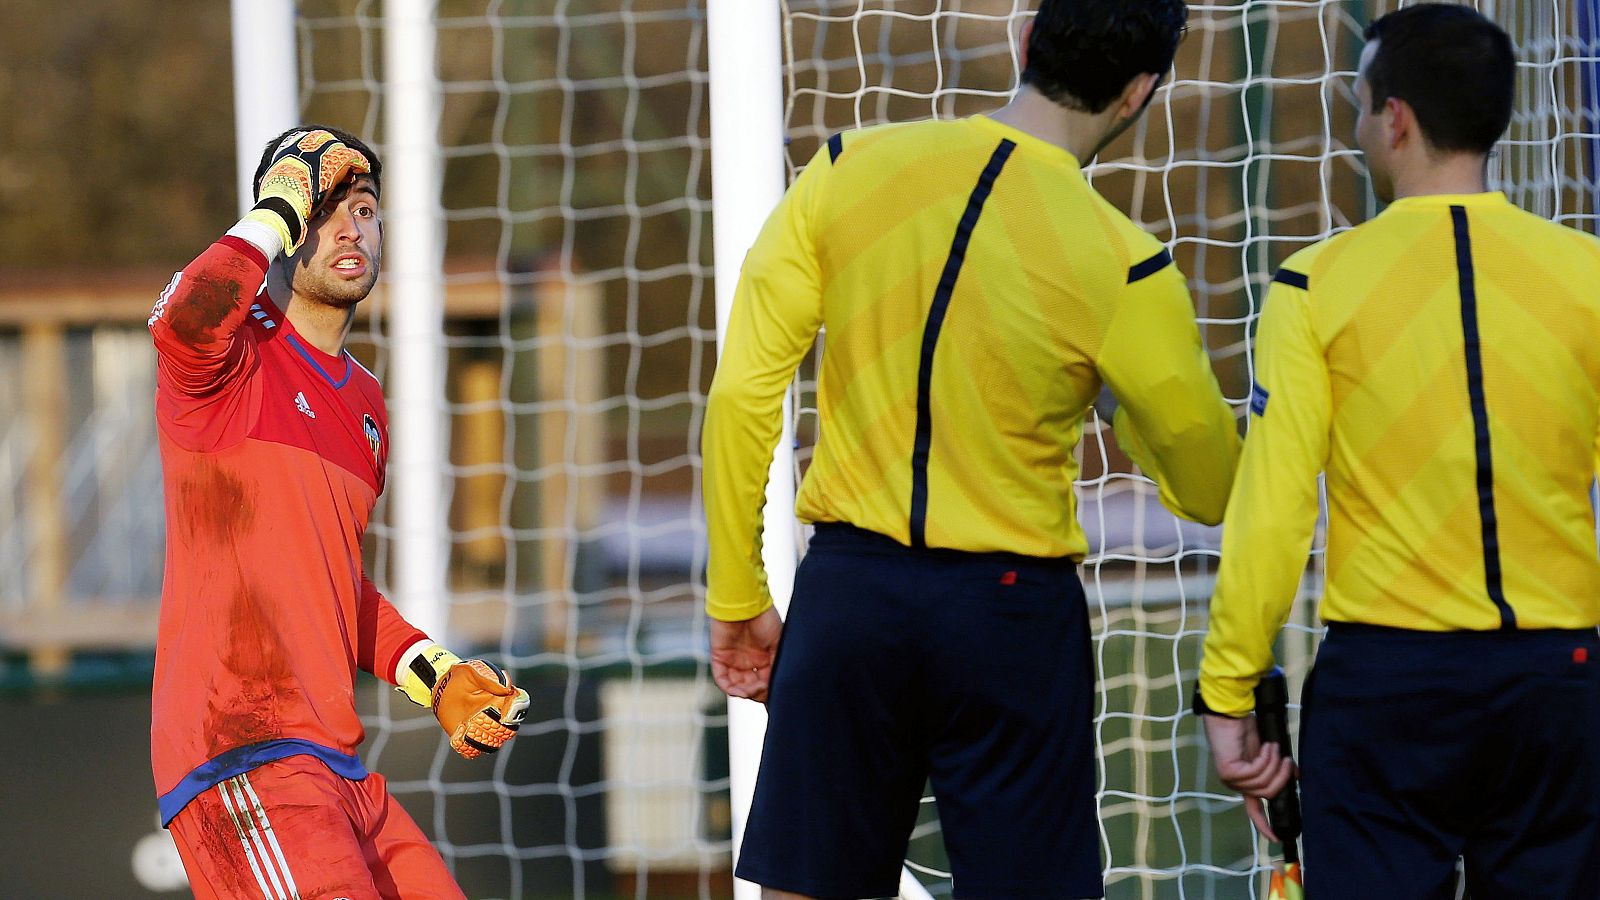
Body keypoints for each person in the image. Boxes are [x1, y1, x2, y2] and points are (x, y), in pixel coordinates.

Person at [702, 1, 1241, 896]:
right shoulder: (1124, 262)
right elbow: (1213, 482)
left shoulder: (848, 168)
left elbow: (744, 393)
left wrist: (737, 592)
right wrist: (1119, 406)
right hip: (1008, 618)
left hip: (852, 594)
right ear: (1140, 90)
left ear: (1025, 37)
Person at [1197, 5, 1600, 897]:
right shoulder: (1588, 277)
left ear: (1397, 119)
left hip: (1388, 687)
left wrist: (1229, 693)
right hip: (1557, 681)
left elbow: (1273, 512)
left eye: (1358, 103)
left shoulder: (1314, 286)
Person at [148, 126, 531, 898]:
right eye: (322, 208)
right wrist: (281, 201)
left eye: (364, 208)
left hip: (340, 768)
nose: (350, 227)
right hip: (243, 751)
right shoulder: (228, 353)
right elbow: (180, 321)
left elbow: (332, 586)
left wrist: (438, 676)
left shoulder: (366, 404)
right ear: (284, 224)